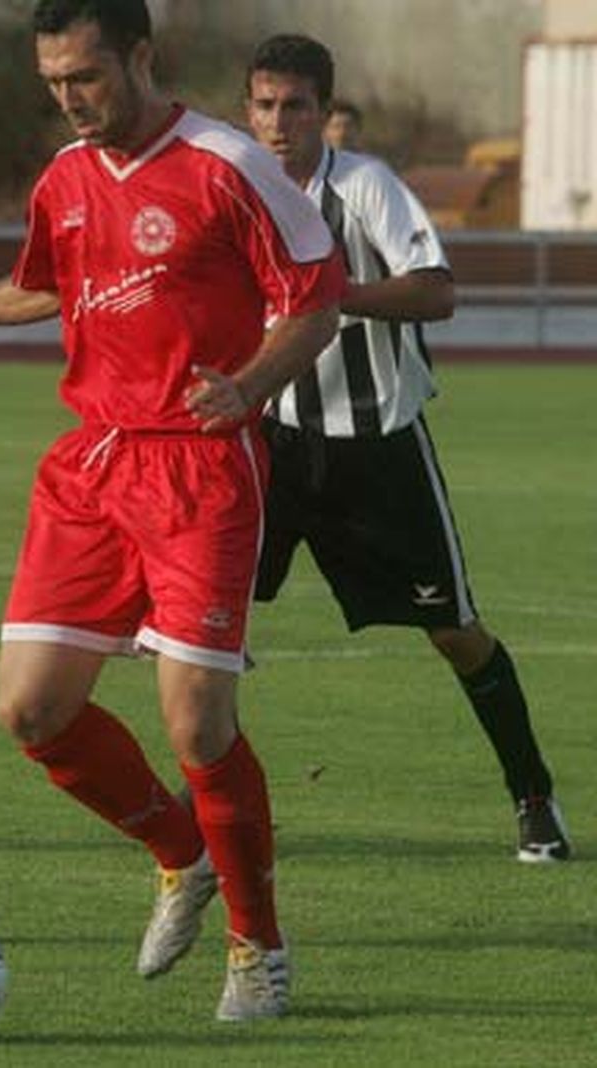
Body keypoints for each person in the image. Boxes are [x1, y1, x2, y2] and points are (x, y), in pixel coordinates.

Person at [0, 0, 344, 1021]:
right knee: (29, 710)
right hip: (91, 467)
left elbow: (314, 302)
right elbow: (47, 287)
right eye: (55, 85)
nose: (72, 100)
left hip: (201, 465)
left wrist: (248, 386)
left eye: (87, 77)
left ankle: (257, 950)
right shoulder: (65, 178)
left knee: (196, 722)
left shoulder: (225, 163)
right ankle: (180, 852)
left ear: (139, 57)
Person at [244, 34, 570, 863]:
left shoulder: (366, 187)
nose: (279, 123)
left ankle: (533, 796)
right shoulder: (232, 187)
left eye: (296, 106)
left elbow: (438, 291)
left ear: (325, 111)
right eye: (265, 105)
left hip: (376, 449)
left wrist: (329, 294)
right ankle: (206, 816)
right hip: (271, 443)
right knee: (202, 627)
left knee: (454, 631)